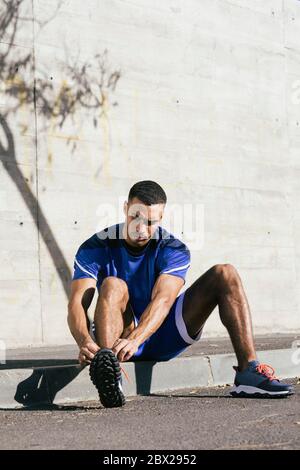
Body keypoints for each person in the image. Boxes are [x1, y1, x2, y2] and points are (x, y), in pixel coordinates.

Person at [67, 180, 294, 407]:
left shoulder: (172, 248)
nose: (141, 228)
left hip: (164, 333)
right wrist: (85, 342)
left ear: (161, 218)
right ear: (126, 208)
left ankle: (249, 371)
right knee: (112, 284)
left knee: (226, 273)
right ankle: (110, 374)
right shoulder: (95, 246)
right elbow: (77, 303)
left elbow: (163, 299)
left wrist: (136, 340)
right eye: (135, 217)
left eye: (150, 222)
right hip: (116, 338)